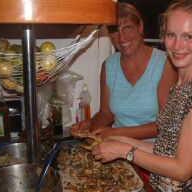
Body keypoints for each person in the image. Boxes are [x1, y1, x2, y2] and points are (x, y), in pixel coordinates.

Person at [91, 0, 192, 192]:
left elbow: (182, 170)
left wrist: (124, 150)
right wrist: (121, 141)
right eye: (171, 35)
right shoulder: (181, 87)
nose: (177, 46)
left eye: (188, 36)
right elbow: (165, 148)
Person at [71, 3, 177, 141]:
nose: (122, 37)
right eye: (115, 30)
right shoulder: (108, 66)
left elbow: (164, 125)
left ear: (140, 27)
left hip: (153, 153)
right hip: (116, 150)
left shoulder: (165, 63)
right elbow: (105, 114)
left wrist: (115, 133)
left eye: (127, 27)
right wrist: (89, 128)